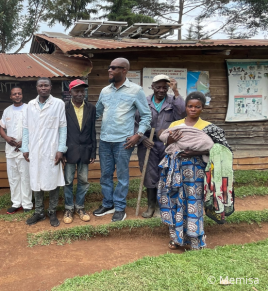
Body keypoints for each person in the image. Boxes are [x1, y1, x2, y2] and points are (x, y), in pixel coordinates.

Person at [158, 92, 232, 250]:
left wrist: (196, 152)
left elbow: (222, 150)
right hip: (175, 170)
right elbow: (168, 146)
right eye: (190, 106)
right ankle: (177, 238)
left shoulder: (209, 127)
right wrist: (170, 140)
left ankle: (195, 240)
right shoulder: (175, 124)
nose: (193, 109)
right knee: (176, 202)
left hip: (196, 172)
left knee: (194, 203)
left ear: (202, 108)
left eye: (197, 107)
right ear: (185, 107)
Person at [93, 58, 151, 222]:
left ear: (124, 70)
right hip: (105, 140)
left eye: (114, 68)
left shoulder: (136, 90)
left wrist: (138, 135)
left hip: (124, 141)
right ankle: (108, 204)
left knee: (122, 176)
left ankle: (119, 208)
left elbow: (146, 116)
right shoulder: (105, 91)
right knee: (105, 174)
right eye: (109, 68)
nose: (109, 70)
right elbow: (96, 113)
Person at [134, 75, 185, 218]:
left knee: (166, 174)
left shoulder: (173, 101)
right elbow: (135, 123)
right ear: (152, 87)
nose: (161, 90)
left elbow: (182, 114)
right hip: (147, 144)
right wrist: (142, 138)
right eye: (158, 87)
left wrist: (176, 92)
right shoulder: (143, 102)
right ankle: (151, 206)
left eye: (165, 87)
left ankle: (161, 207)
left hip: (167, 144)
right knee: (149, 175)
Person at [21, 77, 67, 227]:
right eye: (40, 86)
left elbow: (63, 128)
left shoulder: (58, 104)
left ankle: (52, 211)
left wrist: (61, 149)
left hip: (51, 150)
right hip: (34, 149)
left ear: (50, 87)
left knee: (53, 181)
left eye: (46, 85)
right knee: (36, 180)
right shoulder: (30, 105)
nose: (43, 88)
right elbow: (26, 128)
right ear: (36, 88)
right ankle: (39, 212)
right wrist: (26, 148)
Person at [62, 79, 96, 224]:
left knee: (83, 180)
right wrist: (62, 152)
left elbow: (92, 131)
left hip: (85, 150)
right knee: (68, 181)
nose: (80, 94)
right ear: (70, 92)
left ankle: (80, 207)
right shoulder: (64, 108)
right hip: (69, 151)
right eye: (77, 91)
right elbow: (61, 131)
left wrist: (93, 151)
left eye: (82, 91)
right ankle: (68, 208)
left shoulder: (91, 108)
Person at [0, 86, 32, 214]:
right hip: (10, 150)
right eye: (14, 94)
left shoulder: (29, 108)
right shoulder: (7, 111)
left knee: (25, 176)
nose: (17, 96)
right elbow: (1, 128)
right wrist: (6, 138)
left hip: (25, 149)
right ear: (11, 96)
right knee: (13, 177)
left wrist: (24, 142)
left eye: (19, 93)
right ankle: (16, 203)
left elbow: (35, 127)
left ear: (22, 95)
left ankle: (27, 204)